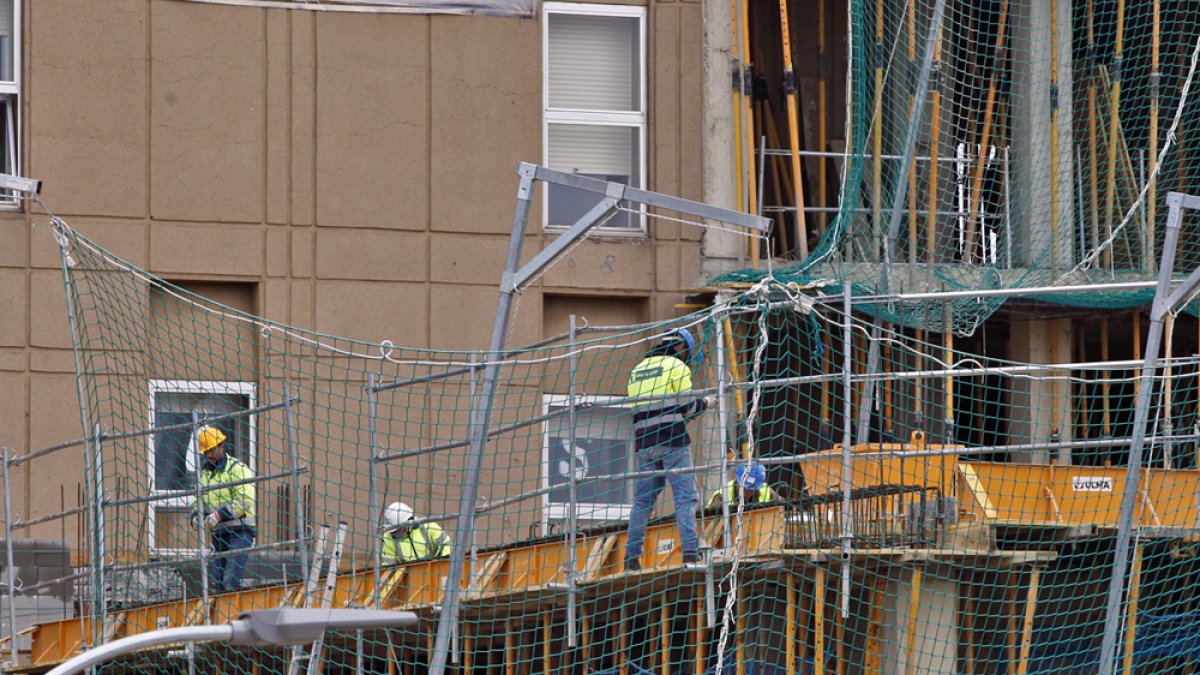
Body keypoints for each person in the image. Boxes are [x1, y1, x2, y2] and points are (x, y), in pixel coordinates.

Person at [624, 327, 714, 571]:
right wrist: (705, 403)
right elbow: (687, 407)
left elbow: (643, 409)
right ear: (680, 347)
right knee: (685, 498)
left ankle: (631, 558)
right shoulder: (677, 367)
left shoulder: (638, 370)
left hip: (645, 444)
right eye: (686, 353)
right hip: (672, 441)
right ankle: (690, 553)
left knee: (643, 502)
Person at [192, 425, 256, 593]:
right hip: (219, 534)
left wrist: (219, 516)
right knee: (216, 584)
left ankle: (230, 613)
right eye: (206, 452)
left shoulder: (238, 469)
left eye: (211, 450)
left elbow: (244, 500)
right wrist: (197, 516)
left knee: (230, 580)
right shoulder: (205, 475)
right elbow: (198, 501)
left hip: (240, 531)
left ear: (222, 446)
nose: (209, 455)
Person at [379, 501, 452, 564]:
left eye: (398, 529)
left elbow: (446, 544)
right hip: (410, 577)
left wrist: (442, 562)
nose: (394, 533)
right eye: (393, 531)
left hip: (434, 571)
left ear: (407, 522)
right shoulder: (388, 540)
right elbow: (388, 568)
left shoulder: (427, 527)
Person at [707, 461, 777, 508]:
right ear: (738, 482)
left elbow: (784, 506)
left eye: (751, 490)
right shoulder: (721, 496)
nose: (747, 493)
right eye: (745, 489)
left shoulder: (765, 490)